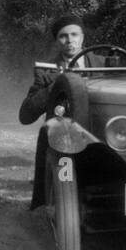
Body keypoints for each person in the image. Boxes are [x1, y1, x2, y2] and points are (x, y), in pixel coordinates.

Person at [18, 13, 105, 209]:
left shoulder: (104, 64)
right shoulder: (46, 71)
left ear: (83, 37)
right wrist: (58, 83)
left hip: (102, 138)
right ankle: (62, 207)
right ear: (57, 41)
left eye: (75, 34)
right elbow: (25, 115)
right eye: (63, 36)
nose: (70, 41)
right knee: (64, 183)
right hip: (64, 144)